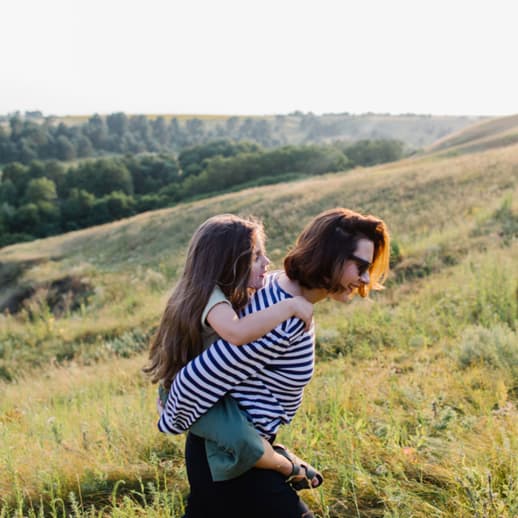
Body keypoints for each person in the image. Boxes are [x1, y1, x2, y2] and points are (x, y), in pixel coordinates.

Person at [159, 208, 391, 518]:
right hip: (231, 461)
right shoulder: (284, 320)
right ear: (329, 258)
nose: (365, 279)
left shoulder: (275, 285)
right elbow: (194, 380)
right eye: (360, 267)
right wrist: (171, 418)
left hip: (232, 453)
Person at [144, 214, 321, 490]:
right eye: (255, 257)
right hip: (191, 396)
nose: (267, 263)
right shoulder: (211, 299)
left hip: (209, 393)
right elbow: (238, 334)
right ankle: (289, 466)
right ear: (226, 264)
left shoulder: (223, 293)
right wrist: (290, 306)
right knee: (244, 442)